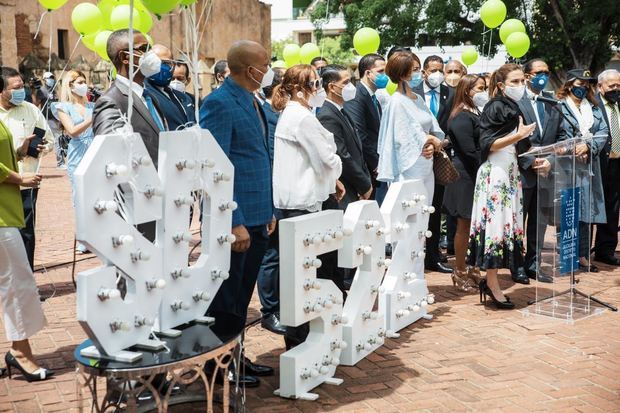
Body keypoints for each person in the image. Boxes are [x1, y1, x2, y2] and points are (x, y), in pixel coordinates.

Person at [199, 40, 276, 387]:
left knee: (243, 296)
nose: (270, 68)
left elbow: (259, 156)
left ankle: (236, 356)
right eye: (266, 63)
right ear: (250, 69)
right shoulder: (219, 103)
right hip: (237, 218)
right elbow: (215, 166)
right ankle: (219, 365)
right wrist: (235, 220)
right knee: (227, 300)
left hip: (259, 213)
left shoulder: (253, 99)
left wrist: (268, 210)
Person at [271, 64, 343, 348]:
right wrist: (336, 166)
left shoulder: (294, 114)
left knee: (299, 274)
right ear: (299, 90)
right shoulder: (301, 117)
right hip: (303, 202)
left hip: (296, 200)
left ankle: (300, 337)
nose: (319, 89)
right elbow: (326, 158)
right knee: (306, 275)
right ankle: (301, 339)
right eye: (314, 84)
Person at [467, 63, 536, 309]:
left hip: (510, 172)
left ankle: (491, 281)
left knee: (506, 228)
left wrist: (536, 157)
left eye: (521, 81)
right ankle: (493, 284)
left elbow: (517, 144)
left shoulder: (512, 105)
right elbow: (487, 144)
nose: (520, 86)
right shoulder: (495, 106)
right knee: (495, 229)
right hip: (495, 174)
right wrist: (518, 136)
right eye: (514, 82)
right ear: (500, 85)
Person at [0, 75, 52, 381]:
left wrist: (20, 153)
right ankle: (20, 352)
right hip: (3, 215)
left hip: (8, 210)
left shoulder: (20, 115)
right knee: (18, 282)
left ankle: (20, 349)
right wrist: (19, 178)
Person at [0, 67, 54, 271]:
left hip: (27, 182)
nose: (21, 90)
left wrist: (39, 148)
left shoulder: (30, 109)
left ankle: (27, 278)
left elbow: (49, 140)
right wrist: (18, 150)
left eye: (22, 86)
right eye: (16, 87)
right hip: (5, 185)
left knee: (26, 234)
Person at [513, 58, 562, 284]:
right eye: (538, 72)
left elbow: (562, 136)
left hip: (546, 173)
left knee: (539, 224)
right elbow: (512, 137)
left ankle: (533, 265)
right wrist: (530, 161)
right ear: (527, 75)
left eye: (546, 71)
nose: (543, 76)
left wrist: (551, 159)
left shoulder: (552, 102)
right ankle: (516, 266)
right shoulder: (516, 101)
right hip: (522, 171)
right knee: (517, 223)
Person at [556, 69, 609, 273]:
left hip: (589, 165)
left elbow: (603, 131)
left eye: (587, 84)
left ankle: (583, 255)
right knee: (568, 210)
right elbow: (556, 133)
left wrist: (588, 146)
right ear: (570, 85)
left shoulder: (594, 107)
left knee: (586, 211)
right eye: (580, 83)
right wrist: (573, 148)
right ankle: (566, 255)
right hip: (567, 166)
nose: (584, 87)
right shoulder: (560, 106)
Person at [377, 51, 443, 207]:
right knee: (411, 215)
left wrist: (433, 143)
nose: (418, 73)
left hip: (427, 165)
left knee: (426, 213)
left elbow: (433, 127)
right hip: (408, 168)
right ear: (402, 74)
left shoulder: (418, 98)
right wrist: (428, 139)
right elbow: (402, 136)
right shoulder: (396, 102)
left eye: (419, 68)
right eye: (413, 70)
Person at [93, 29, 167, 169]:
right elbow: (110, 156)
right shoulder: (111, 101)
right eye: (143, 49)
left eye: (149, 48)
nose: (150, 54)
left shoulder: (151, 97)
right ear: (124, 57)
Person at [443, 74, 487, 291]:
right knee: (464, 225)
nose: (483, 92)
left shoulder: (475, 112)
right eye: (479, 88)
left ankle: (472, 267)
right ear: (467, 90)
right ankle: (459, 271)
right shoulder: (461, 116)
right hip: (465, 176)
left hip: (475, 175)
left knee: (474, 226)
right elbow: (469, 151)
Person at [412, 55, 455, 274]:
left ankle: (433, 255)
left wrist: (443, 142)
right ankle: (413, 255)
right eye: (432, 70)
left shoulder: (451, 93)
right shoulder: (413, 93)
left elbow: (453, 123)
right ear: (424, 72)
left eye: (441, 70)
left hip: (440, 158)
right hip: (417, 158)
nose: (437, 74)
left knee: (435, 209)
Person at [255, 68, 286, 335]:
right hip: (270, 194)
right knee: (271, 256)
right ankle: (269, 310)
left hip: (282, 192)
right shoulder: (264, 113)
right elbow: (271, 158)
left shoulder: (277, 113)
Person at [52, 70, 95, 254]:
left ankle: (97, 236)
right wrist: (91, 119)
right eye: (79, 82)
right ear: (70, 85)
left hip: (95, 151)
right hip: (77, 153)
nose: (83, 85)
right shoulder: (63, 107)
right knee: (80, 197)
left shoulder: (93, 105)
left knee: (97, 196)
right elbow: (72, 131)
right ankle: (83, 237)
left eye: (84, 81)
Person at [318, 64, 372, 209]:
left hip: (355, 187)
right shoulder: (327, 115)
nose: (350, 86)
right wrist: (364, 185)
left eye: (351, 81)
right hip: (345, 189)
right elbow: (341, 154)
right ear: (331, 87)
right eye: (345, 83)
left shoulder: (341, 110)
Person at [344, 53, 387, 203]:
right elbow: (359, 134)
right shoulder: (357, 95)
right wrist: (376, 163)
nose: (385, 76)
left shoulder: (374, 96)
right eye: (381, 71)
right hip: (367, 169)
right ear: (368, 73)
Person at [593, 69, 620, 265]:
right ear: (600, 86)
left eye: (618, 85)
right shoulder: (592, 104)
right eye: (612, 85)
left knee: (613, 207)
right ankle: (582, 252)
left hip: (617, 164)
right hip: (597, 162)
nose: (616, 89)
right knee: (592, 206)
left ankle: (606, 249)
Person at [144, 44, 196, 131]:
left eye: (166, 63)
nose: (160, 66)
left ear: (173, 65)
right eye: (155, 62)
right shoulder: (144, 95)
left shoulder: (183, 98)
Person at [36, 72, 64, 169]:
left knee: (58, 139)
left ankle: (60, 162)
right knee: (40, 139)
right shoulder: (41, 91)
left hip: (55, 118)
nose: (51, 79)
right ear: (44, 79)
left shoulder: (55, 90)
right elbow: (36, 104)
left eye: (52, 77)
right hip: (45, 118)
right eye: (49, 78)